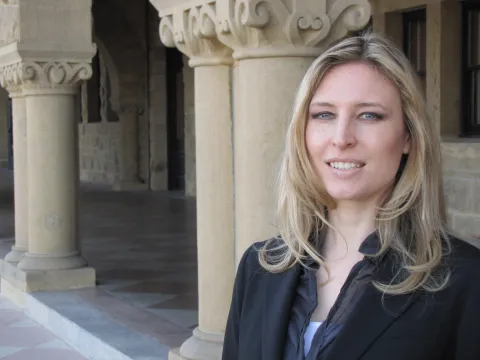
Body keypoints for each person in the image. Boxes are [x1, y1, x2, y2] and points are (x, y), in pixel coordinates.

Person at [221, 32, 480, 360]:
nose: (341, 138)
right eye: (324, 115)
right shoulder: (260, 267)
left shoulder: (464, 280)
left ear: (408, 137)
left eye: (369, 115)